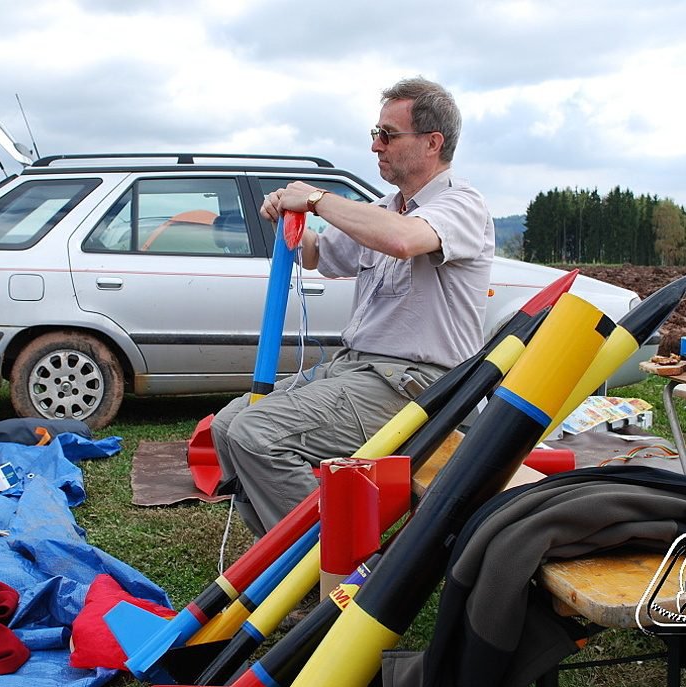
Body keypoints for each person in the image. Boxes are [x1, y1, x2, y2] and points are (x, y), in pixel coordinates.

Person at [210, 77, 495, 537]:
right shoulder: (384, 208)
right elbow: (318, 255)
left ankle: (336, 565)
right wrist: (291, 219)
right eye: (375, 133)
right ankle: (277, 558)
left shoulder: (462, 203)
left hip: (420, 385)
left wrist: (317, 199)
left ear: (432, 143)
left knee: (257, 434)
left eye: (388, 135)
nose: (375, 146)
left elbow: (404, 240)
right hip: (357, 369)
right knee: (226, 426)